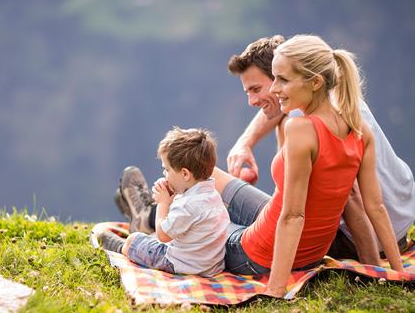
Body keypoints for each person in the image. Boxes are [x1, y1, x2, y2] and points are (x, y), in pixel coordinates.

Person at [114, 35, 404, 297]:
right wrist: (393, 270)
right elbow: (374, 207)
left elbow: (292, 216)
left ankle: (150, 219)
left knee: (201, 221)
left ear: (315, 82)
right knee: (208, 178)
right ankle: (161, 211)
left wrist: (275, 291)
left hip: (256, 252)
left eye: (282, 81)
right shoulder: (357, 126)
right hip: (309, 250)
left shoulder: (300, 128)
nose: (275, 89)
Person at [226, 35, 415, 264]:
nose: (252, 100)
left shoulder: (308, 124)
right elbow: (276, 111)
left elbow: (352, 197)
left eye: (257, 88)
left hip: (363, 240)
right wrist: (245, 142)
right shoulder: (333, 96)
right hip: (400, 222)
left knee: (226, 211)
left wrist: (373, 266)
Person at [100, 127, 230, 277]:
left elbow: (163, 235)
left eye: (167, 170)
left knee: (134, 240)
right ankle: (142, 220)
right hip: (211, 266)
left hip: (182, 265)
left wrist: (163, 203)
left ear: (185, 174)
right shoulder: (212, 195)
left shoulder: (187, 205)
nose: (164, 174)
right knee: (156, 236)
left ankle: (121, 246)